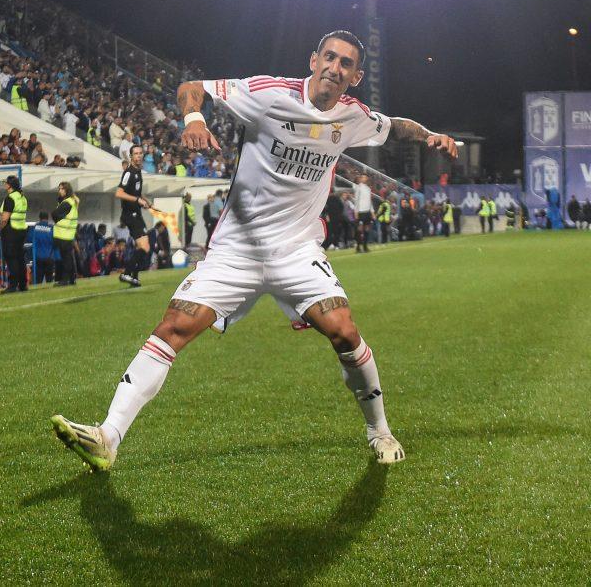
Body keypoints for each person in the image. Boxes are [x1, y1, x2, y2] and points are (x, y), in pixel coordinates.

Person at [51, 30, 459, 471]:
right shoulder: (268, 94)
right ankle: (107, 437)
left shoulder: (353, 116)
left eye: (345, 64)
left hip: (297, 250)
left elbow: (395, 125)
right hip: (237, 249)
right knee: (174, 326)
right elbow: (191, 89)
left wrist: (430, 134)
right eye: (328, 57)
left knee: (344, 330)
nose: (334, 68)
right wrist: (195, 120)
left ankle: (379, 430)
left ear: (355, 77)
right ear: (313, 59)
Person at [116, 144, 152, 287]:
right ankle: (127, 273)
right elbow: (119, 193)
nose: (138, 155)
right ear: (131, 156)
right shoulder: (129, 172)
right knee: (145, 247)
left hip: (136, 214)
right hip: (130, 215)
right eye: (136, 153)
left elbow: (135, 192)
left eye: (140, 153)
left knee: (143, 247)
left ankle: (134, 277)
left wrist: (145, 200)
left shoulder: (138, 172)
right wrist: (137, 200)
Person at [0, 175, 29, 293]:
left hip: (11, 231)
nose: (5, 185)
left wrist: (0, 228)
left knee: (11, 259)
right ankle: (23, 284)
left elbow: (5, 218)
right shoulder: (22, 198)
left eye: (6, 183)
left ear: (9, 185)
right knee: (20, 258)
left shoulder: (10, 198)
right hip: (21, 231)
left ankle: (12, 285)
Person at [52, 182, 79, 286]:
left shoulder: (67, 202)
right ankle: (71, 279)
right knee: (69, 258)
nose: (60, 191)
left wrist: (57, 220)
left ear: (66, 190)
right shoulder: (72, 201)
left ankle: (66, 279)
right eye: (59, 189)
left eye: (62, 189)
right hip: (68, 234)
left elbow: (55, 213)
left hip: (64, 234)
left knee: (66, 258)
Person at [31, 211, 55, 285]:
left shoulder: (35, 227)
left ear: (39, 218)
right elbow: (54, 241)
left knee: (38, 280)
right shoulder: (51, 228)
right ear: (47, 218)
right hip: (49, 257)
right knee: (49, 280)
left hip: (37, 258)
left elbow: (30, 239)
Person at [353, 174, 372, 253]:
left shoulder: (368, 188)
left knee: (367, 229)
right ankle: (358, 246)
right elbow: (356, 200)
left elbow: (369, 201)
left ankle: (365, 246)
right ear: (361, 178)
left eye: (365, 177)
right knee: (360, 229)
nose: (364, 178)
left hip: (367, 211)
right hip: (360, 211)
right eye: (363, 177)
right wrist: (356, 211)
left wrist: (372, 211)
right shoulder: (358, 188)